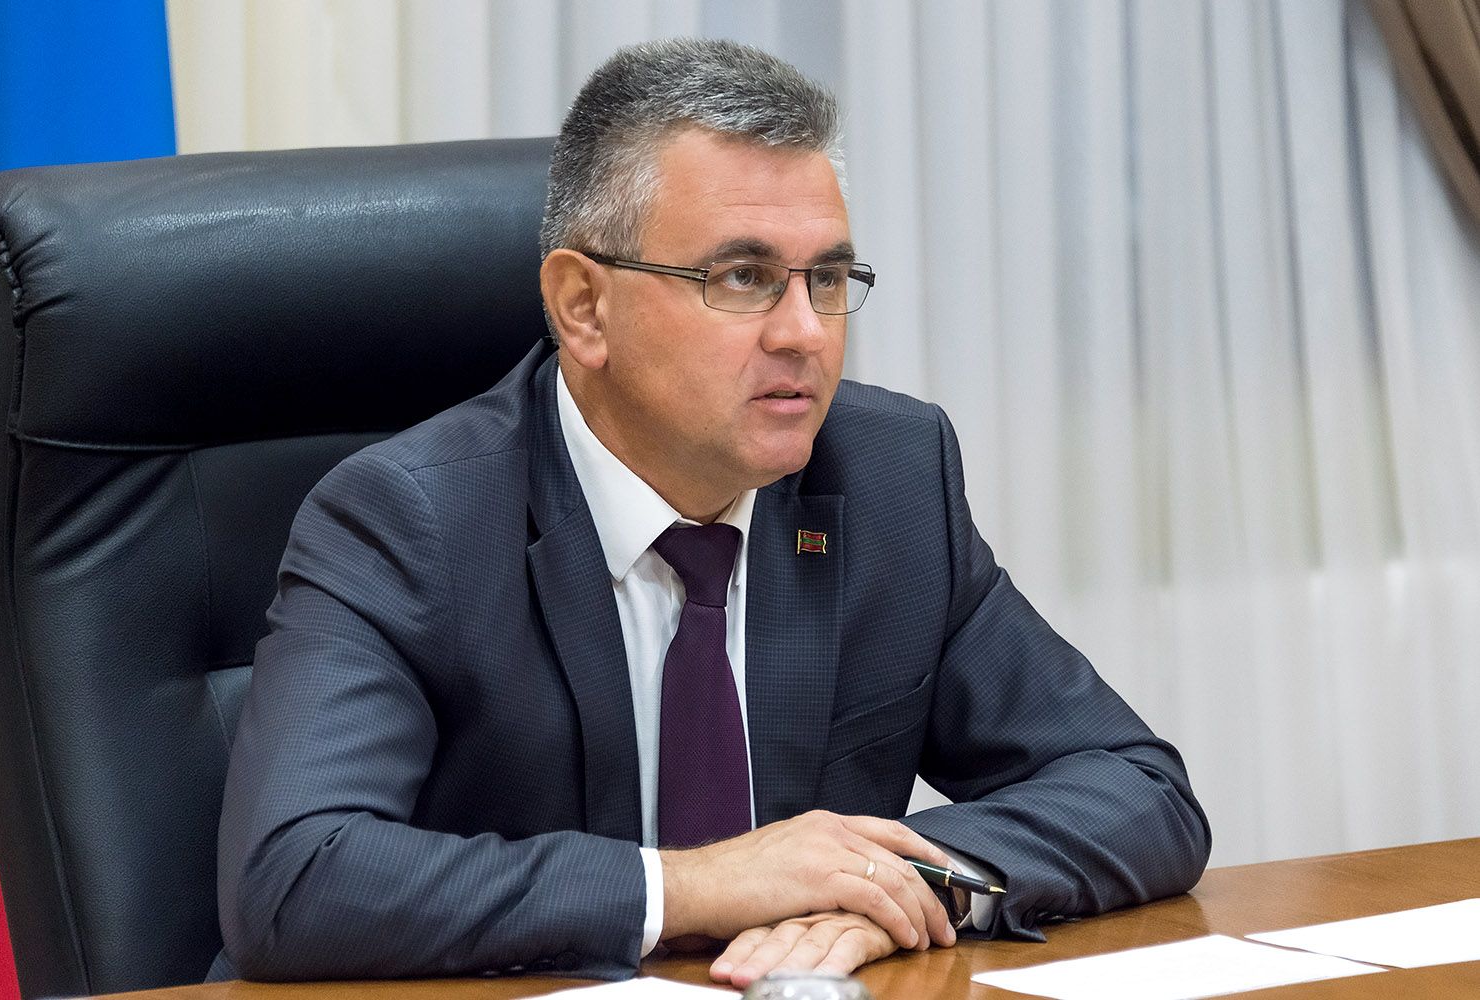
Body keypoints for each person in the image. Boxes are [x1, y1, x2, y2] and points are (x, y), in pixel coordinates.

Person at [213, 37, 1210, 990]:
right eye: (743, 278)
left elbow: (1138, 789)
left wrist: (895, 883)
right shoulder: (410, 519)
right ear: (584, 307)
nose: (806, 332)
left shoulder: (890, 477)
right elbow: (295, 875)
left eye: (828, 279)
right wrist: (694, 886)